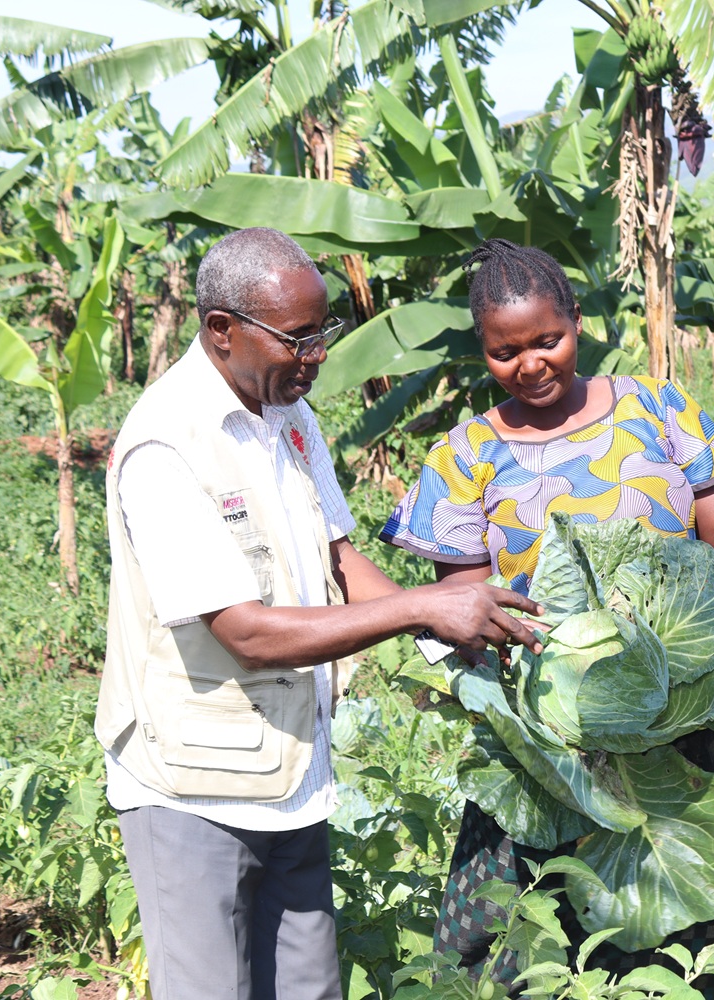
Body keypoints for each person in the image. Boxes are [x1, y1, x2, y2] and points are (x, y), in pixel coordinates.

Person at [96, 227, 544, 1000]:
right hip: (195, 787)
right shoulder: (165, 446)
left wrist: (455, 641)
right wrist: (423, 610)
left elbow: (339, 560)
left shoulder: (288, 415)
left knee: (308, 989)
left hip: (292, 770)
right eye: (298, 338)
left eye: (324, 331)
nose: (318, 354)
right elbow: (245, 633)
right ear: (221, 331)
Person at [379, 237, 714, 989]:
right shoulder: (465, 456)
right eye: (504, 351)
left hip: (678, 719)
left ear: (578, 322)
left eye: (547, 340)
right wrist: (540, 703)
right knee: (512, 941)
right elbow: (465, 613)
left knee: (677, 940)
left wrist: (685, 650)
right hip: (541, 750)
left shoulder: (656, 406)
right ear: (481, 352)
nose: (531, 363)